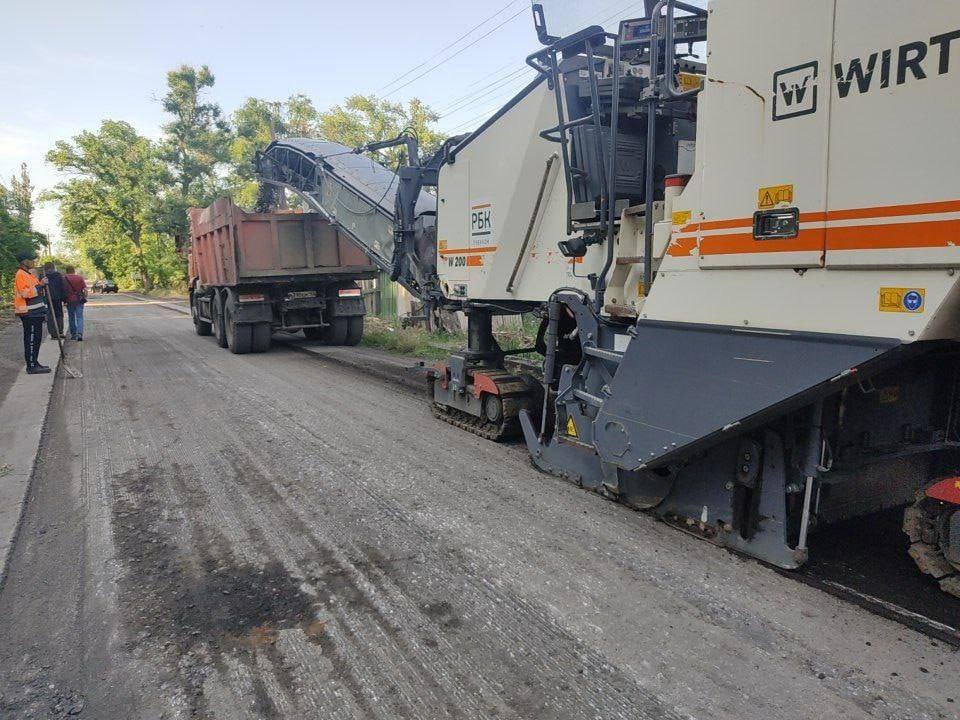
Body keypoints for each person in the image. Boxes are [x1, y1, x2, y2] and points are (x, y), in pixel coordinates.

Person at [13, 250, 51, 374]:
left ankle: (34, 362)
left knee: (36, 339)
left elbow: (34, 289)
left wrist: (41, 284)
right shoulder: (21, 275)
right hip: (29, 313)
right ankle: (31, 365)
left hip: (36, 312)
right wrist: (40, 285)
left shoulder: (28, 274)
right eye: (31, 259)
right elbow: (26, 293)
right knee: (31, 339)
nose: (33, 261)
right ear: (25, 262)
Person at [42, 261, 67, 340]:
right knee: (59, 315)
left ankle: (53, 333)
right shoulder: (58, 275)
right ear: (53, 267)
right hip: (57, 298)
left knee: (50, 316)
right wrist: (64, 299)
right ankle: (60, 331)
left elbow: (40, 287)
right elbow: (63, 287)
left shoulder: (43, 276)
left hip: (48, 299)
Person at [62, 265, 87, 341]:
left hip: (69, 301)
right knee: (79, 317)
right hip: (79, 300)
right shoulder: (79, 278)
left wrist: (64, 300)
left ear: (66, 271)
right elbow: (85, 290)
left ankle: (74, 334)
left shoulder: (64, 279)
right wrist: (85, 297)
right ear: (74, 270)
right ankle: (80, 334)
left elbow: (63, 290)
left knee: (71, 318)